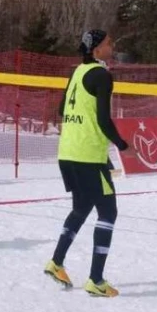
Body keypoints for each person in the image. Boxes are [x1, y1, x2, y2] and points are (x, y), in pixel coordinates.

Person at [44, 30, 130, 298]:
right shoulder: (102, 75)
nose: (112, 45)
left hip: (67, 152)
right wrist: (125, 146)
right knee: (108, 212)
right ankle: (95, 279)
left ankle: (56, 263)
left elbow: (61, 110)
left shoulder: (77, 72)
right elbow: (104, 121)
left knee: (81, 208)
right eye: (107, 43)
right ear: (96, 50)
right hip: (88, 155)